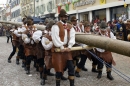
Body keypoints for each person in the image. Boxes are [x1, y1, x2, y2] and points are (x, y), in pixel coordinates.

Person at [51, 9, 75, 86]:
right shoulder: (55, 26)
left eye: (66, 17)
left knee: (71, 67)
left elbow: (72, 37)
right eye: (64, 17)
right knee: (58, 68)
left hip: (67, 49)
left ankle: (72, 84)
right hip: (58, 49)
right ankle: (58, 84)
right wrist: (61, 46)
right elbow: (55, 37)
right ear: (60, 17)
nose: (66, 18)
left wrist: (70, 46)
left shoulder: (70, 26)